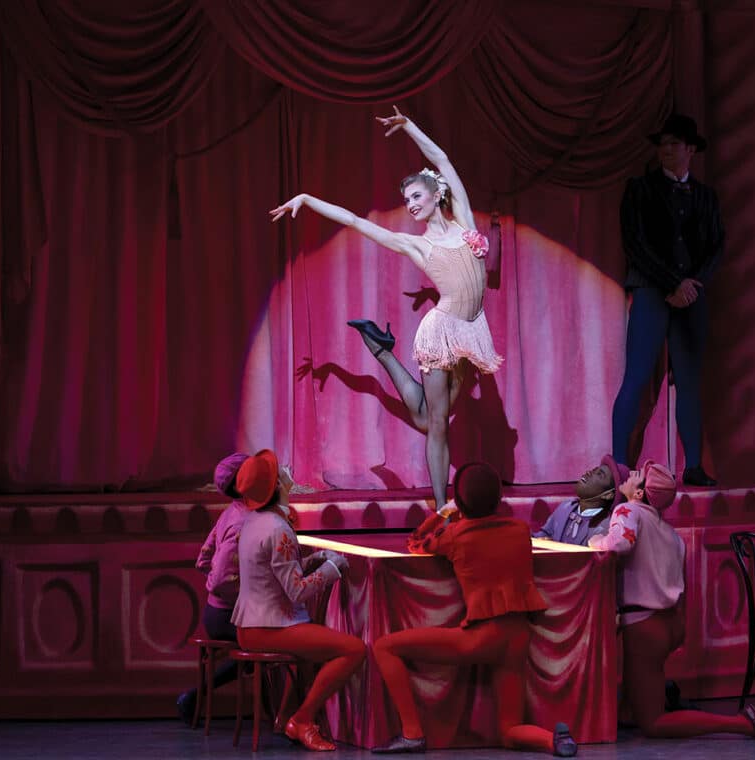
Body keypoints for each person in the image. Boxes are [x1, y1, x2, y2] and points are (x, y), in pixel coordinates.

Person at [270, 106, 502, 510]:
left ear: (437, 194)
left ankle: (381, 349)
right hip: (441, 331)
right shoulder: (416, 244)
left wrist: (410, 127)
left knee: (428, 419)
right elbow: (358, 222)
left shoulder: (464, 220)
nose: (410, 204)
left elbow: (443, 160)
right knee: (436, 427)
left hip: (472, 328)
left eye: (416, 196)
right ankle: (441, 508)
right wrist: (307, 199)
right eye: (406, 199)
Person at [370, 462, 577, 756]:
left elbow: (414, 542)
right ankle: (553, 741)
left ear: (461, 501)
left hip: (482, 638)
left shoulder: (456, 534)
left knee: (384, 647)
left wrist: (443, 513)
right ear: (498, 498)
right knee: (509, 730)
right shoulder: (519, 530)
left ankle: (412, 733)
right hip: (518, 637)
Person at [588, 461, 755, 740]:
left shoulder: (628, 510)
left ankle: (739, 723)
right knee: (636, 694)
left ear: (640, 494)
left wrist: (594, 540)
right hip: (670, 624)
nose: (632, 474)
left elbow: (618, 544)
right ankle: (634, 706)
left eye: (639, 476)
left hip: (645, 627)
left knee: (654, 723)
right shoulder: (671, 534)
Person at [612, 114, 723, 487]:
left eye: (674, 144)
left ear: (690, 149)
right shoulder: (640, 189)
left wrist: (692, 284)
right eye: (663, 144)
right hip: (651, 292)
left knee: (690, 382)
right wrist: (673, 283)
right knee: (637, 378)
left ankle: (693, 465)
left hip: (690, 297)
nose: (666, 150)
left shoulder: (706, 197)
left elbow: (716, 247)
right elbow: (635, 244)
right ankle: (618, 466)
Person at [232, 449, 366, 751]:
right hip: (268, 628)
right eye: (282, 471)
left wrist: (314, 559)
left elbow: (272, 572)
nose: (289, 470)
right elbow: (297, 592)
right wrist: (333, 568)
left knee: (318, 645)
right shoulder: (278, 528)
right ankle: (302, 719)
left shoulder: (255, 521)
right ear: (278, 486)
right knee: (353, 650)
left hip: (253, 625)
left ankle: (287, 716)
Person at [176, 451, 249, 723]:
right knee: (268, 639)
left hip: (218, 610)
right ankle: (194, 696)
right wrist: (242, 592)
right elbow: (217, 578)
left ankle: (194, 696)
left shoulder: (232, 512)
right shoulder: (242, 521)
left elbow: (203, 558)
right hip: (226, 615)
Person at [533, 454, 628, 547]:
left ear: (608, 495)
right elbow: (541, 536)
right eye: (594, 470)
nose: (588, 473)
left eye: (599, 475)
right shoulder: (565, 507)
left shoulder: (608, 526)